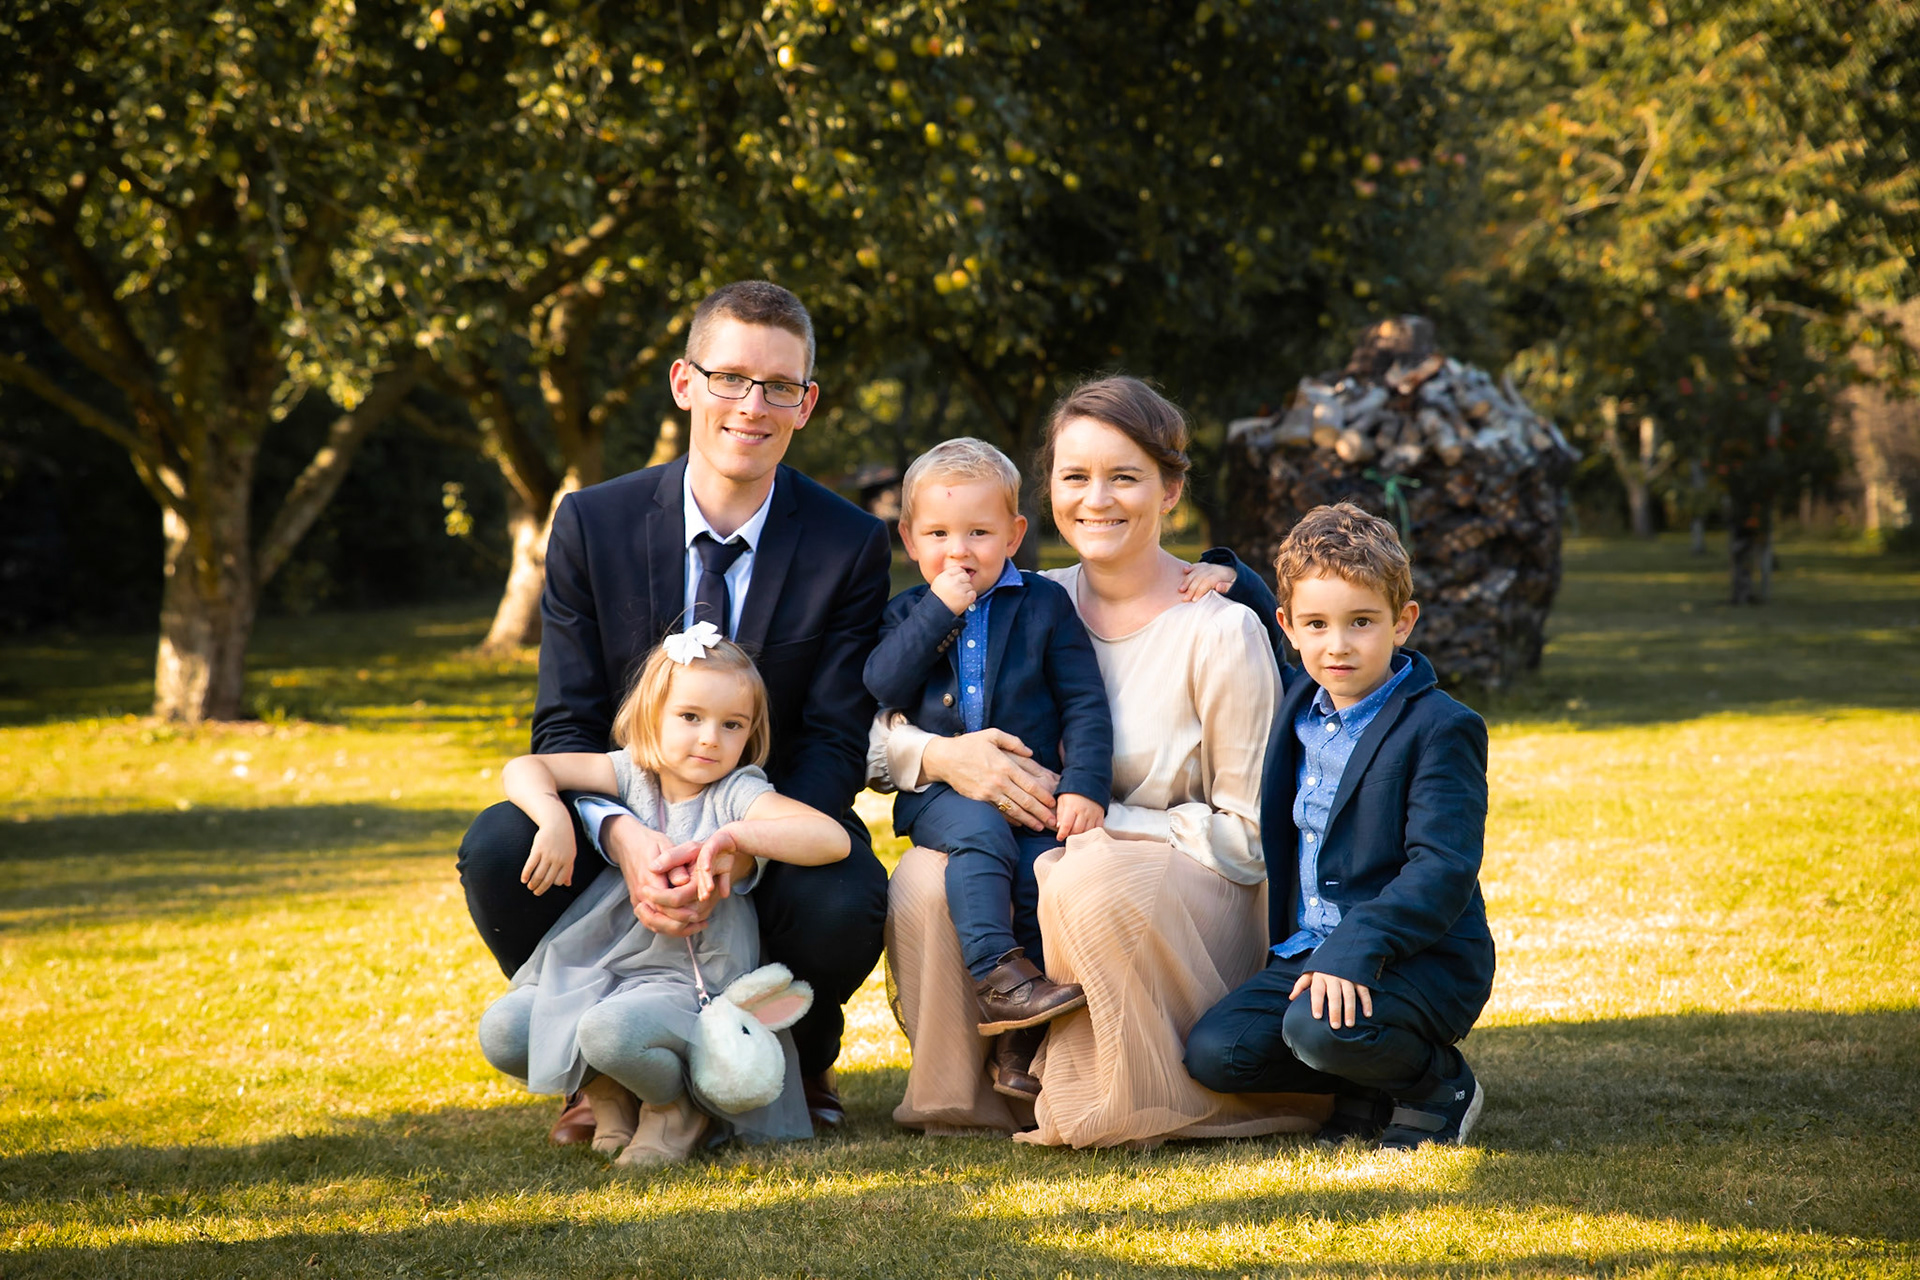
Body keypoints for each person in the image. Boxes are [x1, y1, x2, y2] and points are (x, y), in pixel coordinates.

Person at [456, 281, 892, 1143]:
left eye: (778, 386)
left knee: (847, 895)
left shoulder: (848, 542)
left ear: (806, 404)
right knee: (501, 845)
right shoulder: (594, 522)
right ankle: (601, 1068)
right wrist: (625, 835)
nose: (752, 405)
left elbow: (834, 739)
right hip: (631, 805)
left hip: (759, 812)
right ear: (684, 382)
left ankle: (791, 1054)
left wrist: (742, 843)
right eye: (730, 378)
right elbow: (565, 724)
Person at [876, 376, 1328, 1148]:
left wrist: (1099, 827)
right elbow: (875, 730)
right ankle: (972, 1095)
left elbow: (1251, 840)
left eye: (1124, 476)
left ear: (1170, 489)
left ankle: (1103, 1092)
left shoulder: (1219, 629)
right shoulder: (1020, 599)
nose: (1096, 499)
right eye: (1075, 476)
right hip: (1042, 850)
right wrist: (946, 757)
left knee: (1084, 872)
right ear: (1046, 492)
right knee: (925, 874)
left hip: (1192, 890)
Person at [1183, 502, 1494, 1149]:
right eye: (1317, 625)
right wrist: (1233, 576)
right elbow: (1275, 622)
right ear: (1291, 627)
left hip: (1416, 957)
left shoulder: (1442, 727)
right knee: (1218, 1053)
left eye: (1362, 622)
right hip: (1308, 949)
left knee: (1318, 1030)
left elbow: (1443, 867)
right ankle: (1364, 1083)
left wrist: (1352, 953)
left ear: (1402, 621)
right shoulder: (1296, 699)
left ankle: (1437, 1085)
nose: (1338, 645)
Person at [477, 632, 850, 1166]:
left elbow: (831, 839)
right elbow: (526, 767)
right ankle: (608, 1090)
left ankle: (675, 1107)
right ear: (653, 716)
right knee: (505, 1032)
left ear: (750, 732)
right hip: (605, 963)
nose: (710, 739)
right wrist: (552, 815)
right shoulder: (630, 773)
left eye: (732, 725)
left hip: (691, 977)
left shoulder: (736, 792)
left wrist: (737, 837)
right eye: (690, 717)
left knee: (610, 1033)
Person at [863, 438, 1112, 1101]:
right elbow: (883, 684)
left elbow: (1085, 702)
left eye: (978, 532)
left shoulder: (1043, 605)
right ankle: (995, 974)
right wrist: (939, 610)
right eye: (938, 534)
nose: (960, 550)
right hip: (941, 796)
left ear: (1014, 535)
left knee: (1037, 874)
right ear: (909, 539)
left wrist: (1085, 785)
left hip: (1029, 793)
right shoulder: (907, 613)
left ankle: (1016, 1042)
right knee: (980, 834)